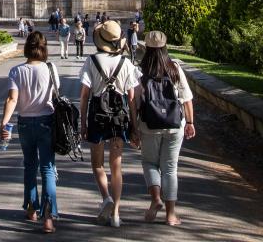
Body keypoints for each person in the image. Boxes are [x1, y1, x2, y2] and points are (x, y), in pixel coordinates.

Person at [79, 20, 139, 228]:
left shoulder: (91, 61)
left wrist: (82, 123)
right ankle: (115, 213)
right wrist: (135, 127)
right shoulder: (126, 63)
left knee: (97, 164)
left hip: (97, 115)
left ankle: (106, 198)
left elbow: (85, 96)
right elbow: (131, 99)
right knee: (117, 168)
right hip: (119, 118)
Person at [0, 31, 60, 233]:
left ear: (27, 47)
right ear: (44, 49)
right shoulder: (51, 69)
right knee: (47, 168)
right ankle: (49, 217)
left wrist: (4, 123)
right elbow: (55, 96)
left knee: (29, 166)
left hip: (25, 122)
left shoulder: (17, 71)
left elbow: (12, 100)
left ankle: (32, 208)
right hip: (46, 121)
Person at [137, 31, 195, 227]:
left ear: (146, 48)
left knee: (149, 163)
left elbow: (135, 102)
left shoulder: (140, 71)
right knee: (170, 169)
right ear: (164, 47)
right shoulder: (174, 68)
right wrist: (190, 122)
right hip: (173, 124)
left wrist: (133, 127)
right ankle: (171, 215)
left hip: (148, 124)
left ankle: (155, 199)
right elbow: (186, 99)